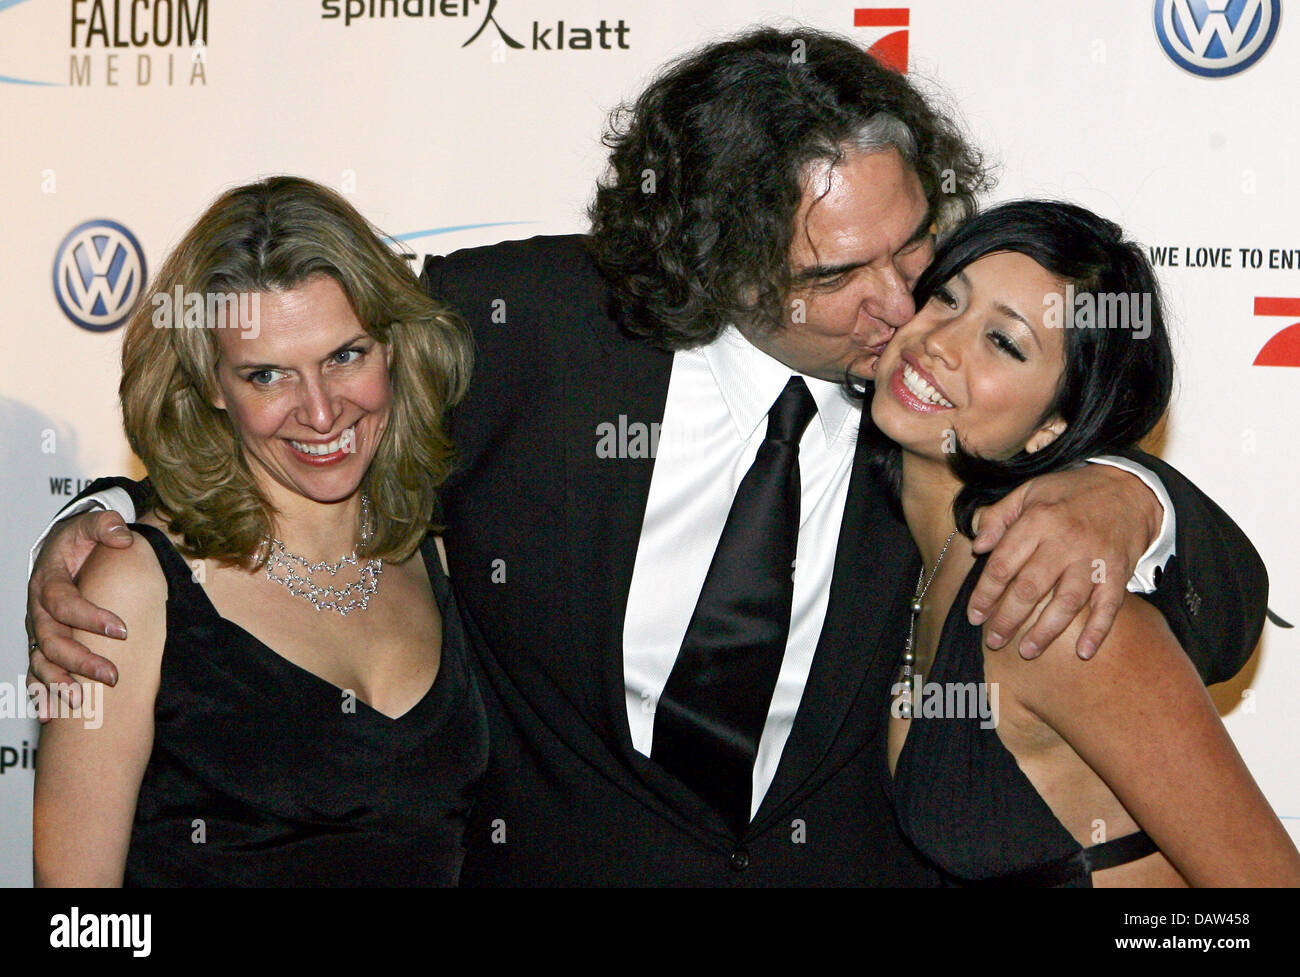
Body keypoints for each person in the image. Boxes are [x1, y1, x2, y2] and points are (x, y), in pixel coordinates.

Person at [29, 28, 1267, 885]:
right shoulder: (526, 327)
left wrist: (1130, 497)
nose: (903, 305)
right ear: (722, 257)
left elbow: (1216, 601)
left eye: (914, 248)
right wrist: (93, 516)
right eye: (836, 274)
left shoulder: (933, 414)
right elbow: (298, 378)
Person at [32, 176, 486, 886]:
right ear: (212, 384)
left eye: (345, 356)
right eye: (268, 375)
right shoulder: (132, 587)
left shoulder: (437, 551)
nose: (321, 411)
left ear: (393, 348)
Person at [870, 200, 1295, 887]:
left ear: (1053, 426)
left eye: (1003, 342)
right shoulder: (915, 548)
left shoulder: (1059, 613)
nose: (940, 341)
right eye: (948, 296)